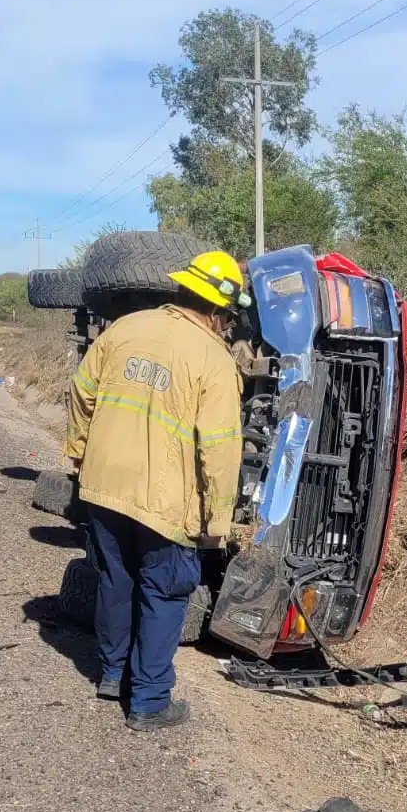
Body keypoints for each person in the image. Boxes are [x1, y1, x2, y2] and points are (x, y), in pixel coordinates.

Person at [64, 250, 246, 731]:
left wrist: (81, 452)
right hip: (166, 503)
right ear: (216, 311)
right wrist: (218, 523)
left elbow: (81, 393)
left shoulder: (123, 329)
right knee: (164, 593)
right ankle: (148, 702)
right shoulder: (214, 358)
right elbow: (221, 449)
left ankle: (112, 674)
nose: (227, 327)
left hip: (103, 487)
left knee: (115, 581)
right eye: (228, 318)